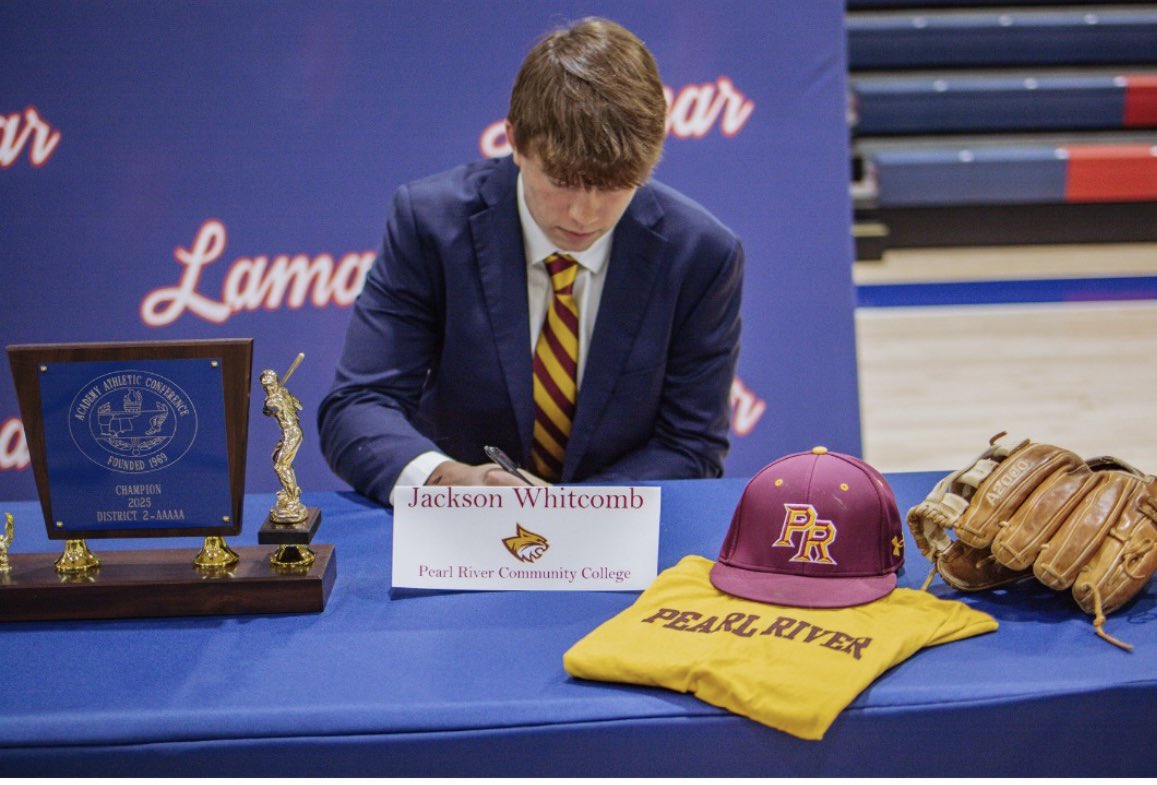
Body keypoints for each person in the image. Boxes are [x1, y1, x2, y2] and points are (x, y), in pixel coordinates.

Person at [318, 17, 743, 507]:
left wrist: (571, 512)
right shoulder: (431, 224)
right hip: (459, 530)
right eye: (562, 181)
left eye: (614, 185)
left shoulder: (701, 255)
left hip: (616, 538)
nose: (585, 214)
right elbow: (358, 405)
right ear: (514, 142)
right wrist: (450, 483)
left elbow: (690, 446)